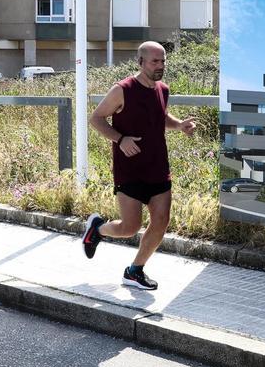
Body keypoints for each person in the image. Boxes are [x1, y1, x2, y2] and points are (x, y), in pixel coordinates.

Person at [81, 41, 196, 290]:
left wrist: (179, 125)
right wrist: (120, 139)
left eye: (163, 60)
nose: (160, 65)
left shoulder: (163, 89)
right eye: (155, 61)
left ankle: (135, 271)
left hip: (158, 166)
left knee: (161, 221)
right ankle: (98, 230)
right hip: (130, 169)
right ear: (140, 62)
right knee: (129, 228)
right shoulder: (122, 89)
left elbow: (159, 116)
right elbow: (96, 118)